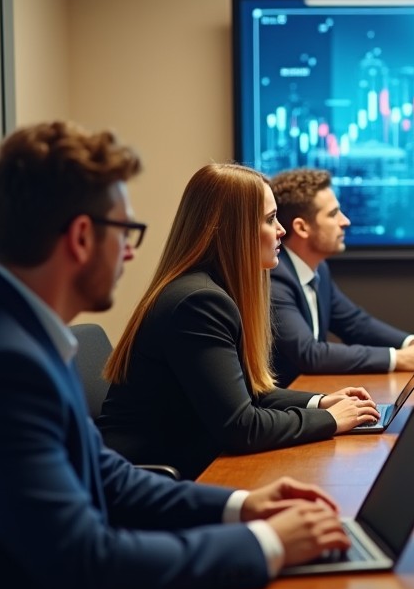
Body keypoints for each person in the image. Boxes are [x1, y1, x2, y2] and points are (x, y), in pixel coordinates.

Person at [0, 122, 354, 589]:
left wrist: (241, 505)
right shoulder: (2, 363)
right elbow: (88, 564)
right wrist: (268, 543)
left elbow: (107, 474)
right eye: (125, 232)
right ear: (83, 237)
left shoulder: (16, 327)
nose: (130, 253)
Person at [98, 164, 380, 480]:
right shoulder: (199, 301)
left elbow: (248, 392)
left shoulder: (211, 290)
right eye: (271, 219)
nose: (281, 230)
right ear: (234, 229)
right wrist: (330, 419)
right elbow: (241, 427)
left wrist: (322, 401)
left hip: (184, 461)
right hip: (149, 478)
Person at [269, 168, 414, 386]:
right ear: (302, 227)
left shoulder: (318, 270)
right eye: (333, 214)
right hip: (280, 408)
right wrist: (398, 359)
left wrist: (413, 344)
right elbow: (309, 354)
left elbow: (355, 324)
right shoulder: (275, 277)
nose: (345, 221)